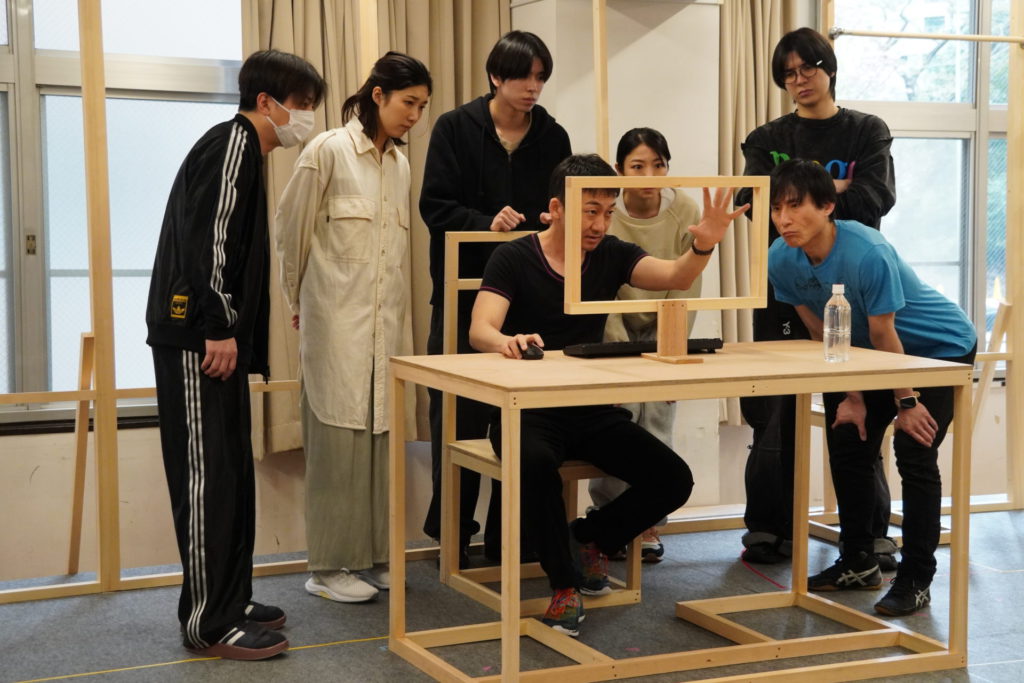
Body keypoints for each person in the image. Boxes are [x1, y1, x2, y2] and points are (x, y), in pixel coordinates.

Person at [469, 153, 747, 636]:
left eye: (607, 211)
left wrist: (704, 242)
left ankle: (588, 538)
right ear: (557, 207)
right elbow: (480, 329)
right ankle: (563, 585)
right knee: (534, 464)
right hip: (526, 410)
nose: (599, 224)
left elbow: (676, 277)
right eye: (589, 211)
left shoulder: (611, 253)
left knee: (673, 479)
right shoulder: (514, 256)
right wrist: (507, 341)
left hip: (590, 408)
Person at [146, 50, 325, 660]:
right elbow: (211, 242)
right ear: (267, 101)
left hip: (216, 340)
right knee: (205, 480)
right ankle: (207, 621)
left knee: (230, 477)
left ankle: (231, 597)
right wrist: (219, 326)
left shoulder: (247, 151)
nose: (305, 118)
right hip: (196, 338)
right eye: (301, 105)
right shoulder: (233, 145)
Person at [767, 159, 976, 616]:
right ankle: (858, 561)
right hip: (869, 352)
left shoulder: (867, 252)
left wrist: (907, 402)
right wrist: (852, 395)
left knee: (913, 447)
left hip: (936, 348)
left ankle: (916, 578)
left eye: (795, 206)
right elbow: (821, 329)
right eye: (777, 208)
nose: (784, 218)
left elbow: (885, 333)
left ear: (827, 206)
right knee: (848, 435)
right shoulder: (780, 257)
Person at [735, 27, 898, 566]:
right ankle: (768, 527)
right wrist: (829, 195)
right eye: (788, 73)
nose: (799, 80)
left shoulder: (866, 131)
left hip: (853, 290)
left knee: (859, 406)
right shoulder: (765, 137)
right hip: (785, 286)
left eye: (808, 68)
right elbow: (758, 207)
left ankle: (869, 532)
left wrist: (808, 201)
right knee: (773, 411)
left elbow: (876, 199)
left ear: (829, 68)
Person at [274, 52, 432, 604]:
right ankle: (328, 567)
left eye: (422, 106)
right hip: (336, 325)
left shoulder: (400, 165)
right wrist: (297, 299)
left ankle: (371, 557)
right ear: (377, 95)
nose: (415, 115)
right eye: (408, 102)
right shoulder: (327, 151)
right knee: (338, 446)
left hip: (384, 328)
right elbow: (290, 231)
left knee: (378, 444)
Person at [419, 30, 572, 564]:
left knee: (525, 421)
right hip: (463, 294)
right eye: (523, 77)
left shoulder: (552, 135)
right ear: (495, 77)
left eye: (540, 78)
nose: (533, 87)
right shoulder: (455, 127)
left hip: (529, 298)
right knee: (456, 417)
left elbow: (563, 205)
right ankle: (454, 535)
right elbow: (434, 207)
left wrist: (553, 220)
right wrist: (486, 223)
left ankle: (515, 540)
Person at [587, 128, 702, 563]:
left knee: (658, 416)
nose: (649, 175)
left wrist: (670, 345)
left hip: (663, 326)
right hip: (612, 325)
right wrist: (616, 349)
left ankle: (648, 522)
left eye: (658, 165)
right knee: (620, 418)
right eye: (637, 166)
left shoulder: (685, 210)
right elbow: (603, 285)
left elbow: (688, 283)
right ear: (619, 170)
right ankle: (608, 517)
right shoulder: (608, 213)